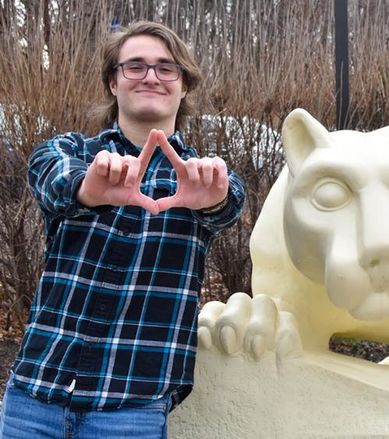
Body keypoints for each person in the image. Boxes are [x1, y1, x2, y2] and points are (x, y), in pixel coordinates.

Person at [0, 21, 246, 438]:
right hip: (33, 399)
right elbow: (55, 179)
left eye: (166, 68)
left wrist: (213, 198)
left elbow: (227, 204)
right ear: (113, 82)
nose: (151, 76)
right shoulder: (69, 151)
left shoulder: (203, 176)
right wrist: (90, 188)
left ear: (183, 86)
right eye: (135, 66)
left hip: (132, 410)